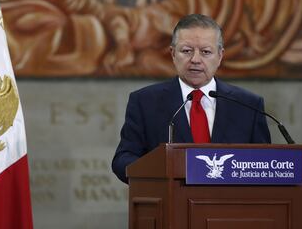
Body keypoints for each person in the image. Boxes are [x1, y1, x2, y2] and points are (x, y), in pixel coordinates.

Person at [112, 14, 271, 183]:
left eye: (206, 52)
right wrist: (158, 172)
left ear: (220, 56)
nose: (195, 60)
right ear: (173, 54)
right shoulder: (145, 102)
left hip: (231, 206)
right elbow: (123, 159)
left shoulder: (248, 105)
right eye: (187, 51)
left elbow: (265, 164)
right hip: (170, 204)